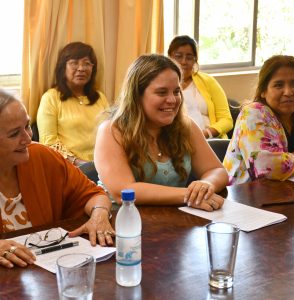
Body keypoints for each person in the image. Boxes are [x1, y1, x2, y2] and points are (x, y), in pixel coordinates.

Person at [94, 54, 228, 210]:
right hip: (123, 224)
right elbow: (123, 191)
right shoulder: (111, 131)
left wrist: (206, 184)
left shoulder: (186, 126)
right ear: (137, 95)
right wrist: (190, 195)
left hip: (174, 222)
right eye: (162, 92)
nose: (172, 100)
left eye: (176, 92)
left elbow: (216, 170)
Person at [0, 90, 114, 269]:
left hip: (44, 275)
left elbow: (94, 195)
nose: (28, 138)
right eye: (14, 134)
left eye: (27, 126)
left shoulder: (42, 156)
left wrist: (99, 215)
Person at [223, 55, 294, 185]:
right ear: (263, 91)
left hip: (286, 193)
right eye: (278, 85)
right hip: (243, 197)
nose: (288, 92)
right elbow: (266, 169)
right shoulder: (253, 113)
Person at [37, 42, 109, 166]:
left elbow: (112, 132)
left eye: (86, 63)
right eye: (74, 63)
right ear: (63, 67)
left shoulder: (100, 98)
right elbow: (49, 143)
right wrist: (82, 164)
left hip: (104, 165)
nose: (81, 68)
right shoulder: (51, 98)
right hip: (69, 168)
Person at [167, 35, 233, 139]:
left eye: (189, 57)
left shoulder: (208, 81)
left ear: (195, 60)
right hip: (175, 141)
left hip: (211, 141)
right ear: (169, 57)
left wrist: (205, 134)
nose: (183, 62)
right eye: (178, 56)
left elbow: (226, 120)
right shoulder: (162, 84)